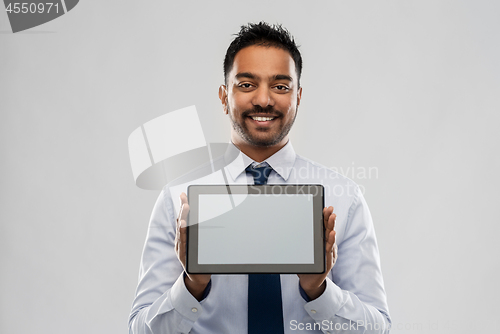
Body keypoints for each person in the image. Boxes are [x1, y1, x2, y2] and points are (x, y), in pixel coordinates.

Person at [129, 22, 391, 334]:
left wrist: (319, 290)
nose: (264, 100)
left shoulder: (342, 198)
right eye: (246, 85)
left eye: (281, 87)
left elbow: (377, 329)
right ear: (224, 97)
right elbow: (141, 330)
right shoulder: (178, 199)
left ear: (298, 96)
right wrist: (191, 285)